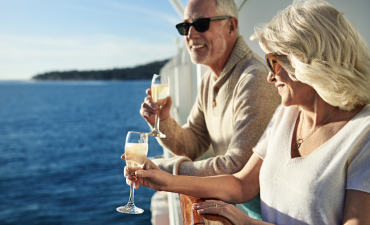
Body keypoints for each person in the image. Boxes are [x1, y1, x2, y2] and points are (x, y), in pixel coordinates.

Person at [124, 0, 370, 224]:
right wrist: (165, 175)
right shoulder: (288, 113)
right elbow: (239, 179)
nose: (270, 76)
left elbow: (235, 168)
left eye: (275, 61)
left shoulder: (363, 135)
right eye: (184, 26)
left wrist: (247, 223)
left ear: (309, 62)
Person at [136, 0, 280, 219]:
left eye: (201, 24)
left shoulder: (255, 79)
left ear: (231, 26)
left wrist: (164, 169)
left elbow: (236, 167)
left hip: (274, 214)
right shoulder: (209, 80)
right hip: (244, 209)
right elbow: (193, 143)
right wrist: (163, 120)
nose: (191, 34)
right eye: (185, 27)